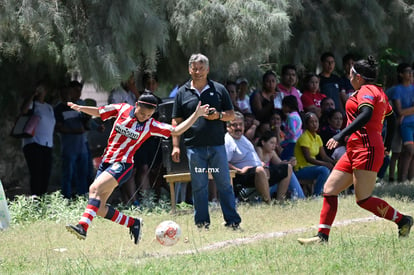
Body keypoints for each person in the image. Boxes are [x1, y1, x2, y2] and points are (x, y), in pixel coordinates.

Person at [297, 56, 413, 245]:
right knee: (329, 189)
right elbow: (390, 118)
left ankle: (403, 220)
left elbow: (366, 115)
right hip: (355, 148)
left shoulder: (367, 90)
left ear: (358, 76)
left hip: (366, 149)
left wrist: (340, 135)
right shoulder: (377, 91)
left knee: (363, 199)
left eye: (351, 73)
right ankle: (322, 237)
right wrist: (388, 145)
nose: (349, 76)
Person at [65, 93, 210, 244]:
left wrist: (196, 115)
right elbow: (99, 111)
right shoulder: (121, 109)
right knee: (99, 208)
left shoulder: (151, 125)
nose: (144, 117)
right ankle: (133, 223)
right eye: (142, 113)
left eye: (148, 115)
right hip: (106, 162)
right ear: (136, 105)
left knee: (94, 188)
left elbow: (176, 130)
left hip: (123, 165)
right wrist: (81, 108)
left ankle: (82, 226)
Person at [171, 53, 242, 230]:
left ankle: (232, 222)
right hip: (194, 148)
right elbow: (175, 122)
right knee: (199, 186)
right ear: (189, 70)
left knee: (224, 184)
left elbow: (231, 114)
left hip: (217, 147)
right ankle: (202, 223)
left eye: (201, 68)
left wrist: (218, 116)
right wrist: (175, 146)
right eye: (194, 68)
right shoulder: (182, 93)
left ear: (207, 69)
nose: (198, 71)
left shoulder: (219, 89)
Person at [224, 112, 273, 203]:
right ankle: (269, 202)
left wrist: (263, 165)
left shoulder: (243, 139)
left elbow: (254, 158)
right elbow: (223, 162)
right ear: (228, 127)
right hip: (242, 175)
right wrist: (238, 170)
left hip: (257, 170)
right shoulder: (228, 141)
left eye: (240, 125)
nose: (238, 127)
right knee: (259, 170)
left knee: (287, 168)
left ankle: (285, 197)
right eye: (234, 125)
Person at [21, 82, 56, 196]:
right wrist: (33, 94)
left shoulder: (49, 107)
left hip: (47, 144)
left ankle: (43, 199)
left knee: (46, 173)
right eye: (39, 89)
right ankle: (35, 198)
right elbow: (24, 111)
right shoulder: (33, 104)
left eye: (43, 89)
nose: (42, 91)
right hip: (33, 143)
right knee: (36, 173)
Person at [54, 86, 89, 199]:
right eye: (63, 93)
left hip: (81, 145)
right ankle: (66, 197)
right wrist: (75, 131)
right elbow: (59, 127)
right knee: (68, 174)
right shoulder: (58, 109)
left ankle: (82, 196)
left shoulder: (77, 107)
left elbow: (86, 124)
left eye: (68, 92)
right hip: (68, 147)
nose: (66, 95)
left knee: (82, 173)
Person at [294, 112, 334, 196]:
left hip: (311, 168)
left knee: (334, 168)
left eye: (316, 121)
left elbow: (324, 156)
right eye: (311, 122)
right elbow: (308, 158)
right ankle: (316, 194)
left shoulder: (318, 137)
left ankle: (331, 192)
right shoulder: (304, 137)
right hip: (301, 168)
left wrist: (335, 163)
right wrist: (325, 164)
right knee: (324, 170)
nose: (314, 124)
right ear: (307, 124)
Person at [256, 131, 305, 200]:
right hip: (261, 183)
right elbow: (259, 164)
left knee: (288, 169)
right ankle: (300, 197)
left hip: (269, 181)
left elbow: (280, 164)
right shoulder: (259, 149)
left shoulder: (271, 152)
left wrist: (290, 162)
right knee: (288, 171)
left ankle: (292, 198)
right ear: (263, 142)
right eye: (271, 143)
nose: (274, 146)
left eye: (275, 143)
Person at [390, 63, 414, 182]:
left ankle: (410, 178)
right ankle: (402, 178)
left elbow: (403, 111)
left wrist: (405, 111)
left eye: (411, 71)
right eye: (407, 71)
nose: (410, 74)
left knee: (411, 152)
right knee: (409, 150)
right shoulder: (397, 90)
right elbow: (399, 110)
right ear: (401, 74)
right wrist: (406, 111)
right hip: (405, 124)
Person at [280, 95, 302, 160]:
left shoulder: (290, 117)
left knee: (286, 160)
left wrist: (284, 138)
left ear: (288, 106)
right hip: (297, 142)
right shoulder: (297, 115)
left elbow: (292, 132)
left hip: (290, 143)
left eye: (283, 106)